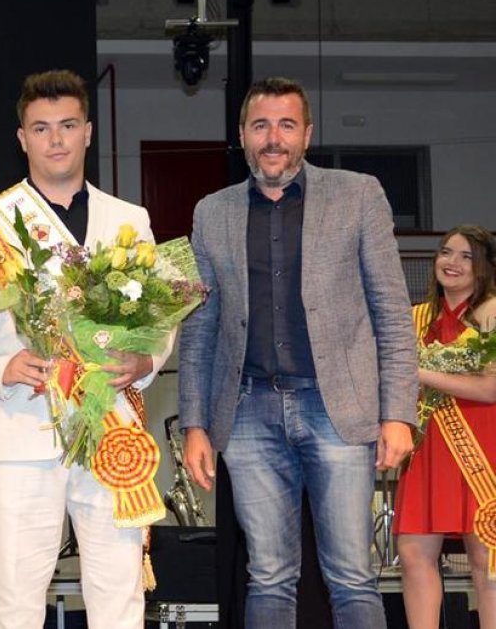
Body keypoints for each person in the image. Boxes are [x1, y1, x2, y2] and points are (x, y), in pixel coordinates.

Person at [178, 76, 419, 628]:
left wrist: (398, 412)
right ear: (242, 135)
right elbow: (200, 327)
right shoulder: (210, 213)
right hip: (246, 416)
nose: (273, 138)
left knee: (353, 576)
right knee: (267, 576)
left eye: (286, 125)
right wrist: (195, 422)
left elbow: (391, 314)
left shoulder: (359, 195)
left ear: (308, 134)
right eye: (261, 125)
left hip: (339, 413)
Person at [0, 69, 171, 629]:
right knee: (17, 597)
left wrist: (144, 362)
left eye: (68, 125)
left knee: (117, 593)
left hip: (109, 429)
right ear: (22, 138)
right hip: (21, 427)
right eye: (41, 128)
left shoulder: (129, 220)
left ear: (88, 131)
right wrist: (0, 364)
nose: (56, 139)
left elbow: (163, 315)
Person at [394, 225, 496, 628]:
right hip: (426, 445)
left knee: (484, 556)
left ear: (484, 266)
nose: (451, 263)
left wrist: (415, 371)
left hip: (482, 446)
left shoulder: (492, 313)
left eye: (466, 256)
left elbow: (490, 389)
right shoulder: (415, 319)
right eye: (445, 253)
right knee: (414, 552)